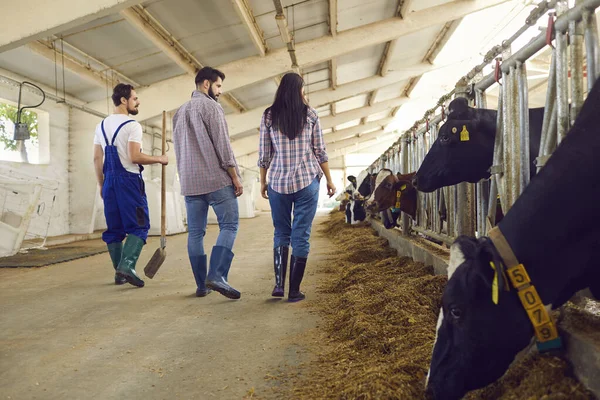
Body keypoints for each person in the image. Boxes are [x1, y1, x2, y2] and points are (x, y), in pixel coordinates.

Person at [258, 72, 336, 302]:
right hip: (306, 182)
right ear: (299, 90)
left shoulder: (269, 116)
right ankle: (294, 291)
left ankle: (279, 285)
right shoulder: (310, 114)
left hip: (278, 183)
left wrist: (263, 182)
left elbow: (265, 154)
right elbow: (320, 151)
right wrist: (329, 179)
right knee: (301, 235)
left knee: (281, 232)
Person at [172, 67, 244, 300]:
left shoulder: (179, 112)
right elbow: (223, 146)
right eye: (218, 86)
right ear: (206, 84)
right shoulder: (211, 107)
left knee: (195, 234)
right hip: (215, 179)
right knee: (230, 225)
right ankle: (216, 275)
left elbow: (179, 149)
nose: (220, 91)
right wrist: (234, 175)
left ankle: (202, 286)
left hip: (190, 183)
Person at [93, 84, 168, 288]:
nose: (138, 102)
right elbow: (135, 157)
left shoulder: (100, 126)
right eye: (135, 98)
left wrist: (102, 184)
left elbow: (97, 158)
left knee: (114, 229)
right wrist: (159, 159)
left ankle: (119, 273)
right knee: (139, 225)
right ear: (124, 101)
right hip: (129, 182)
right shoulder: (132, 125)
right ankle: (127, 265)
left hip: (109, 182)